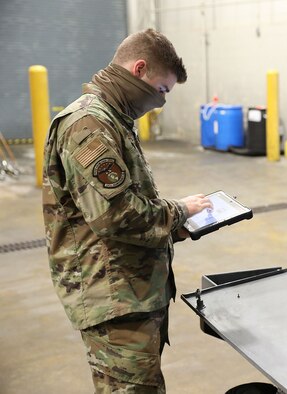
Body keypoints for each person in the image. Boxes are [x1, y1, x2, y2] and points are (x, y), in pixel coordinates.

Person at [42, 28, 212, 393]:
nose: (161, 102)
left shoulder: (114, 119)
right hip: (115, 298)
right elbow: (117, 215)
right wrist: (179, 211)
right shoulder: (89, 124)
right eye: (162, 90)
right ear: (139, 69)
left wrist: (171, 231)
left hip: (129, 291)